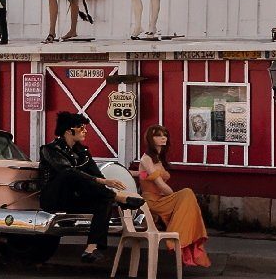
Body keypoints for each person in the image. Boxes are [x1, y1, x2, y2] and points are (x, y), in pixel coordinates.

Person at [38, 112, 143, 263]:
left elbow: (96, 175)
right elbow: (68, 172)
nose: (85, 131)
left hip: (74, 199)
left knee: (103, 200)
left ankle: (91, 249)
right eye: (81, 128)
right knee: (69, 173)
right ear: (69, 130)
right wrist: (104, 183)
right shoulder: (50, 149)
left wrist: (106, 184)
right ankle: (118, 198)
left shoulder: (83, 152)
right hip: (54, 199)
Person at [134, 125, 212, 268]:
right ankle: (177, 238)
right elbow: (160, 184)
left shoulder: (158, 158)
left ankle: (184, 239)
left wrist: (138, 174)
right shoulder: (146, 159)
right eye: (158, 135)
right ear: (150, 139)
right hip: (152, 201)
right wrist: (175, 197)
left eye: (165, 135)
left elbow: (143, 176)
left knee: (187, 201)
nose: (163, 137)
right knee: (187, 194)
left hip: (162, 199)